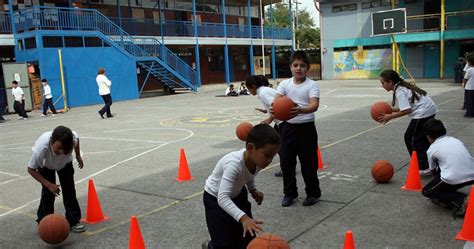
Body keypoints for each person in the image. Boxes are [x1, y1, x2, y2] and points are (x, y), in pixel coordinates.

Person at [203, 124, 280, 249]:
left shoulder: (258, 160)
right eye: (267, 155)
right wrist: (244, 218)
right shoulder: (233, 165)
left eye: (273, 156)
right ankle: (211, 245)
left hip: (238, 194)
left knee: (247, 235)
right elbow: (222, 198)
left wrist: (253, 190)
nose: (270, 160)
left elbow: (249, 175)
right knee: (223, 241)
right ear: (250, 148)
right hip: (215, 198)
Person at [271, 50, 321, 207]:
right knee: (286, 163)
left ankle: (313, 193)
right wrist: (274, 109)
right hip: (287, 128)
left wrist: (300, 110)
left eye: (302, 66)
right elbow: (277, 101)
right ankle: (289, 193)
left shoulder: (312, 85)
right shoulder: (285, 84)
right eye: (295, 65)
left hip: (306, 129)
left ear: (307, 68)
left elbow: (314, 105)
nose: (299, 68)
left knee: (308, 164)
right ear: (290, 67)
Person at [27, 126, 86, 233]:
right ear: (52, 141)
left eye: (66, 149)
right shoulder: (41, 148)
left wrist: (78, 155)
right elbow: (31, 169)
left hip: (65, 164)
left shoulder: (71, 139)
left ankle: (73, 220)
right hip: (46, 165)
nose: (62, 151)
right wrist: (49, 185)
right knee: (48, 193)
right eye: (59, 147)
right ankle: (45, 220)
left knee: (69, 190)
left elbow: (77, 138)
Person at [379, 70, 438, 176]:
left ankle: (423, 167)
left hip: (423, 112)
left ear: (390, 82)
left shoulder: (400, 91)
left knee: (411, 138)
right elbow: (407, 107)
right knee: (422, 139)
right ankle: (431, 164)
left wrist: (390, 116)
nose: (382, 86)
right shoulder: (402, 86)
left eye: (383, 83)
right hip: (429, 109)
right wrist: (392, 110)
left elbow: (407, 110)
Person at [421, 119, 474, 218]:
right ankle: (452, 191)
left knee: (427, 191)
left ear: (428, 136)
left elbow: (432, 171)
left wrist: (437, 182)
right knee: (446, 166)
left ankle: (462, 199)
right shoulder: (455, 140)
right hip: (472, 173)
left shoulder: (432, 149)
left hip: (453, 178)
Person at [246, 75, 283, 177]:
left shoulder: (263, 93)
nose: (249, 92)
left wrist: (269, 119)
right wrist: (265, 110)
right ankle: (286, 166)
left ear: (253, 86)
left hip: (282, 122)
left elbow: (276, 105)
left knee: (280, 147)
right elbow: (273, 104)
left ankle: (287, 168)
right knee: (279, 146)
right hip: (280, 121)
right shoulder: (265, 90)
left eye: (249, 89)